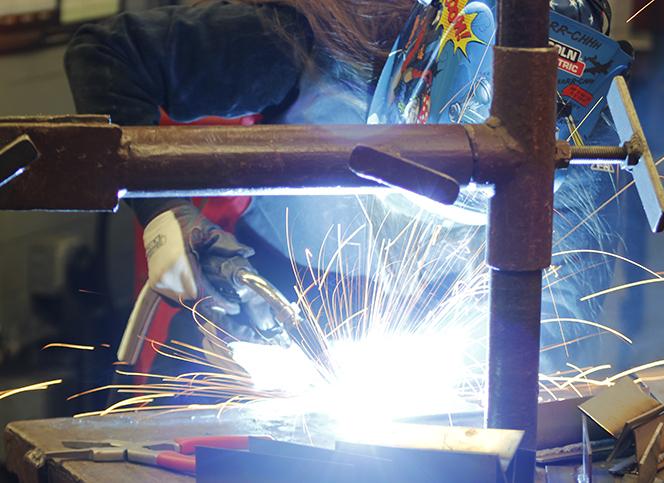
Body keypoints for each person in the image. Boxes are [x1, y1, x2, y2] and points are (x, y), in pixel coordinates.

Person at [64, 0, 618, 377]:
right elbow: (106, 55)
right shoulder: (305, 43)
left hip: (425, 363)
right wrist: (166, 214)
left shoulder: (577, 132)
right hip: (252, 329)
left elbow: (558, 344)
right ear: (421, 61)